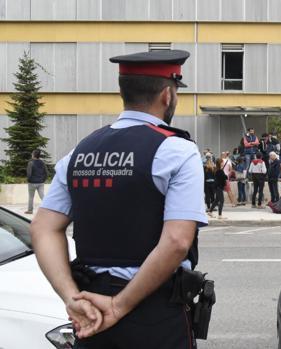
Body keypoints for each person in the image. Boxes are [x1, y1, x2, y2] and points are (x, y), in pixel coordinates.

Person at [30, 50, 209, 347]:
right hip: (152, 309)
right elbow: (177, 241)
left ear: (121, 92)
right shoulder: (177, 150)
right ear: (167, 95)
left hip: (89, 309)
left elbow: (43, 227)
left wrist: (71, 298)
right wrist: (119, 305)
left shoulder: (79, 152)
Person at [25, 149, 48, 214]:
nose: (31, 154)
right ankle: (48, 209)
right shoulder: (42, 162)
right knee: (42, 196)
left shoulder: (31, 162)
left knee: (31, 197)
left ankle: (30, 210)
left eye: (32, 153)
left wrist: (28, 180)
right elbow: (46, 172)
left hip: (32, 183)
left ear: (34, 155)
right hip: (40, 183)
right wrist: (43, 180)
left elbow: (29, 173)